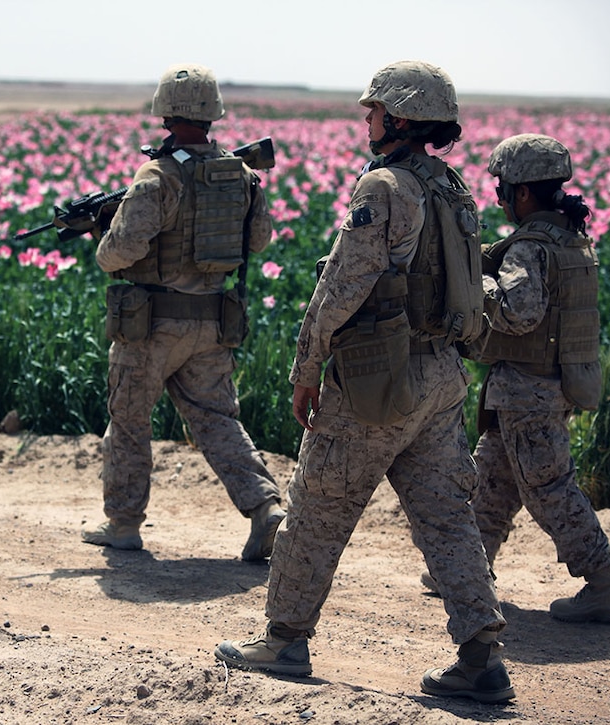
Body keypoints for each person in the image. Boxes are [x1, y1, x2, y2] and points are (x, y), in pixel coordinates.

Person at [215, 60, 514, 703]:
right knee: (447, 519)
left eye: (373, 110)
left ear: (400, 116)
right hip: (442, 374)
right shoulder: (452, 189)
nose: (366, 119)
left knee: (319, 507)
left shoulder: (383, 188)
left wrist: (306, 367)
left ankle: (284, 639)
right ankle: (481, 655)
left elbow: (342, 287)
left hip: (379, 375)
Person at [421, 133, 610, 623]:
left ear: (521, 193)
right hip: (539, 385)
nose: (498, 197)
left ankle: (604, 581)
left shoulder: (531, 248)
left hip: (529, 391)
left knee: (548, 486)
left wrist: (477, 282)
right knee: (492, 478)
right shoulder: (572, 239)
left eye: (502, 188)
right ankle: (467, 568)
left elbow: (519, 312)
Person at [81, 62, 285, 562]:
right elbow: (260, 239)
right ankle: (265, 507)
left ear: (166, 112)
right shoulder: (241, 174)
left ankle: (124, 524)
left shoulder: (157, 175)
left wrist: (99, 234)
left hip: (151, 324)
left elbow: (119, 253)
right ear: (212, 112)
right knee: (216, 419)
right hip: (213, 321)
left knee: (129, 420)